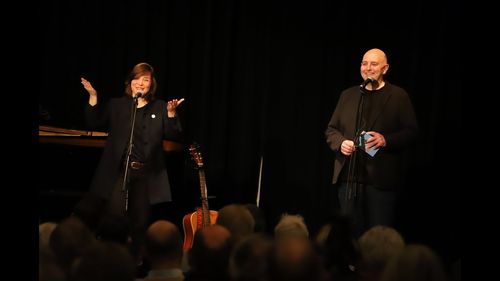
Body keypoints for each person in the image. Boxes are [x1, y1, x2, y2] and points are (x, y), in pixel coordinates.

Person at [75, 62, 185, 261]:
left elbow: (174, 134)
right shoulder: (117, 105)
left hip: (146, 174)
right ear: (130, 82)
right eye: (137, 79)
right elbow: (94, 122)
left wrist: (171, 113)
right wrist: (93, 96)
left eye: (146, 80)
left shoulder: (159, 107)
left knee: (140, 223)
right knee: (114, 218)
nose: (141, 83)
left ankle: (136, 263)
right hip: (120, 171)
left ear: (151, 84)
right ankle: (111, 260)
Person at [325, 48, 418, 237]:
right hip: (349, 178)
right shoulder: (348, 95)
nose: (367, 68)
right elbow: (331, 130)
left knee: (378, 236)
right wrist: (341, 143)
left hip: (380, 180)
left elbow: (412, 132)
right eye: (364, 63)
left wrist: (386, 140)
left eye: (374, 64)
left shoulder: (398, 96)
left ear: (385, 68)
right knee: (349, 234)